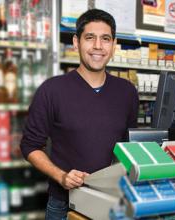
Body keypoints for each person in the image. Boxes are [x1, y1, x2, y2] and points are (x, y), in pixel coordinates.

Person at [20, 8, 139, 220]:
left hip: (112, 202)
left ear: (113, 45)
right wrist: (61, 176)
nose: (98, 46)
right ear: (76, 42)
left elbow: (129, 146)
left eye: (105, 39)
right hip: (64, 206)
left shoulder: (127, 92)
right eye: (90, 38)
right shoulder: (52, 90)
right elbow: (29, 145)